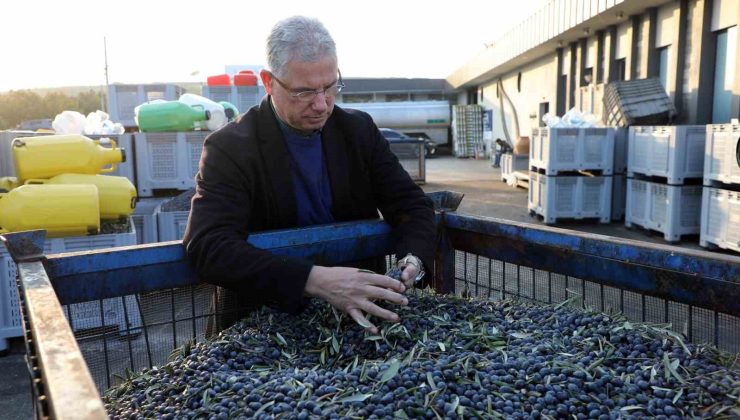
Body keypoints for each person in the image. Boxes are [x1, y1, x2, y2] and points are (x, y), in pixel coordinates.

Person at [183, 16, 436, 335]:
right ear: (269, 81)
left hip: (358, 321)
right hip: (262, 326)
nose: (321, 105)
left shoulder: (358, 132)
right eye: (303, 92)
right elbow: (208, 245)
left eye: (330, 87)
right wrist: (312, 280)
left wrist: (413, 259)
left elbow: (411, 206)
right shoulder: (230, 148)